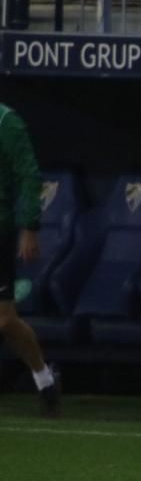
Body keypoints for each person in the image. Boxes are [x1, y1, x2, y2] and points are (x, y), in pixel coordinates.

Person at [0, 102, 59, 416]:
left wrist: (30, 227)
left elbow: (29, 176)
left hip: (1, 229)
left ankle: (44, 379)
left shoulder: (7, 123)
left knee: (5, 319)